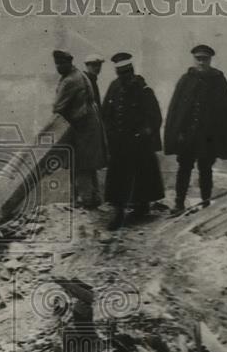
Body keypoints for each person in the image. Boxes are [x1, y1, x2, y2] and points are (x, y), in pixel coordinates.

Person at [163, 44, 227, 212]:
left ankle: (205, 202)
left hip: (208, 136)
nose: (202, 62)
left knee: (206, 169)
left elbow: (226, 110)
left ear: (210, 60)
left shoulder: (218, 79)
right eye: (199, 59)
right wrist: (178, 133)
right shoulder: (186, 80)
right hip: (187, 135)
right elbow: (176, 110)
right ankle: (179, 203)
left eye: (205, 59)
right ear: (194, 59)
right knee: (184, 168)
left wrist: (220, 135)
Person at [101, 52, 165, 230]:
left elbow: (155, 118)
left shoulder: (143, 89)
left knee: (141, 178)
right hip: (119, 143)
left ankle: (141, 206)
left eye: (127, 73)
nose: (124, 78)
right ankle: (119, 213)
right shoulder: (114, 87)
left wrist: (143, 134)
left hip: (138, 144)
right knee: (118, 179)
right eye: (120, 74)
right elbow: (106, 112)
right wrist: (110, 132)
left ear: (132, 71)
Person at [51, 49, 107, 209]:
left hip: (83, 128)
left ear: (69, 63)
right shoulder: (76, 75)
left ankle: (87, 200)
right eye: (57, 64)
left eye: (61, 64)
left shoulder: (71, 80)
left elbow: (58, 106)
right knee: (87, 164)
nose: (58, 67)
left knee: (81, 163)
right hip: (87, 126)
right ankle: (91, 198)